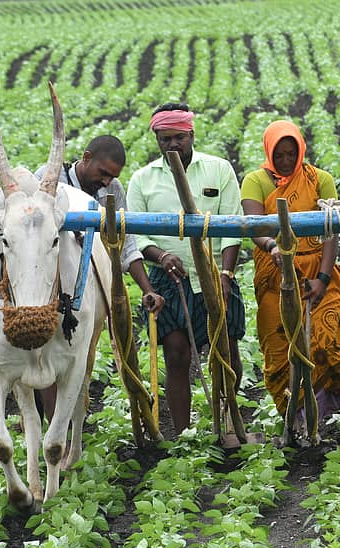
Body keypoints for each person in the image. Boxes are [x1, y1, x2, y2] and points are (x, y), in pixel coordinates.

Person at [126, 103, 245, 435]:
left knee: (227, 356)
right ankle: (181, 435)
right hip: (169, 279)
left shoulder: (218, 170)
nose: (172, 145)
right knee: (177, 356)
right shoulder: (143, 180)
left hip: (214, 274)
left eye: (178, 138)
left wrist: (225, 274)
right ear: (157, 139)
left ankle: (227, 426)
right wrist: (162, 255)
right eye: (165, 139)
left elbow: (232, 225)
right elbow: (136, 234)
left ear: (191, 135)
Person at [241, 120, 340, 425]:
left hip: (317, 271)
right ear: (269, 152)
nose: (285, 161)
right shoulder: (255, 181)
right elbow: (255, 225)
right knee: (280, 351)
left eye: (291, 155)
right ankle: (296, 421)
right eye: (279, 155)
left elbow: (330, 229)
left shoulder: (319, 179)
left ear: (301, 152)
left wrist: (322, 279)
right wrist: (273, 246)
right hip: (275, 274)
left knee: (324, 342)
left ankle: (330, 418)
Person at [32, 135, 164, 422]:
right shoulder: (48, 178)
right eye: (102, 173)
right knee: (46, 358)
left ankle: (66, 424)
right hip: (49, 286)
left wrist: (147, 288)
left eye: (112, 177)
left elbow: (127, 244)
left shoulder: (112, 191)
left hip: (90, 288)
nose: (106, 182)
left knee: (79, 358)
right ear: (86, 157)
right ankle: (57, 429)